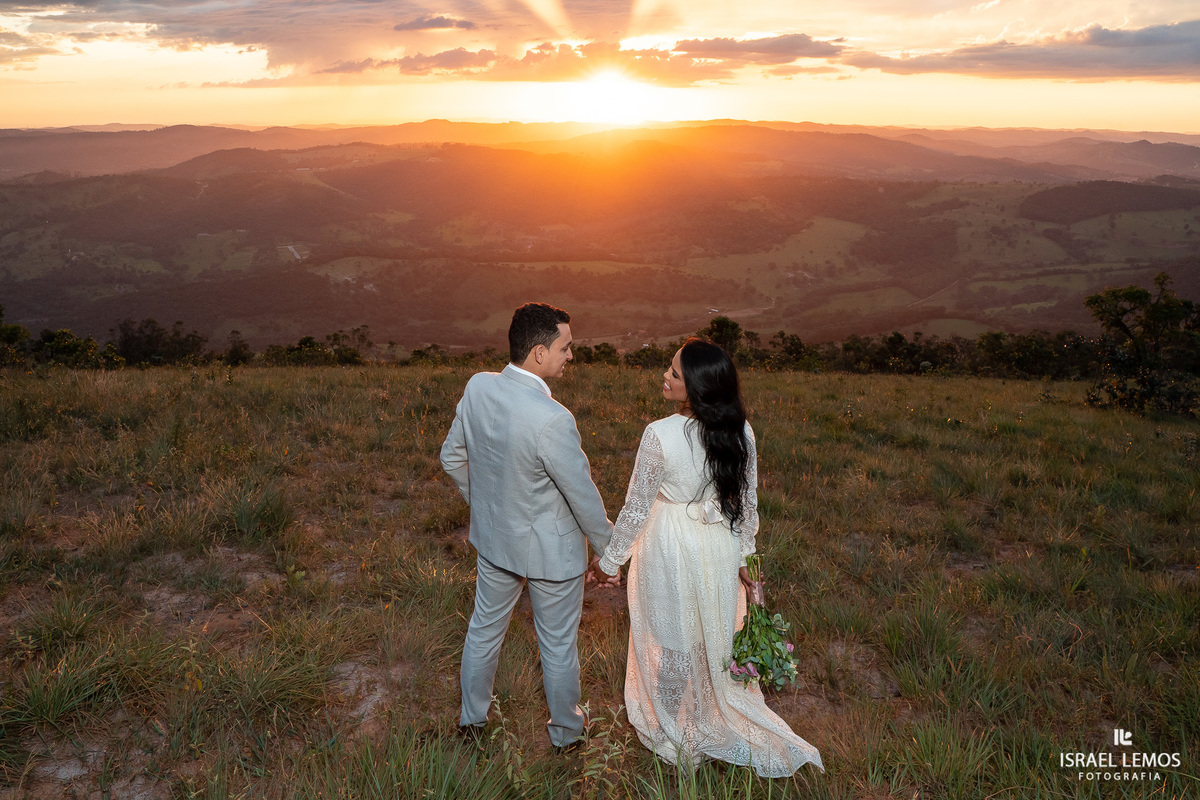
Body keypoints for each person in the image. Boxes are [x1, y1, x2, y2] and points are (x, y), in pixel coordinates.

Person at [593, 338, 823, 777]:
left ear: (697, 387)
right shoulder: (741, 430)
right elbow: (748, 503)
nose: (665, 375)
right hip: (718, 545)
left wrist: (609, 562)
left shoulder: (659, 434)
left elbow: (637, 507)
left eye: (675, 373)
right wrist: (745, 557)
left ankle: (674, 722)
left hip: (671, 547)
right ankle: (699, 713)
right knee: (709, 631)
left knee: (670, 633)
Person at [441, 302, 614, 751]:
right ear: (538, 353)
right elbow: (583, 497)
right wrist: (611, 552)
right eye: (565, 347)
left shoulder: (478, 387)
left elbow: (451, 458)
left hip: (495, 542)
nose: (571, 355)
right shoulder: (553, 420)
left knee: (483, 628)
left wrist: (486, 506)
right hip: (551, 556)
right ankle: (566, 737)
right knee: (557, 647)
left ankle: (471, 722)